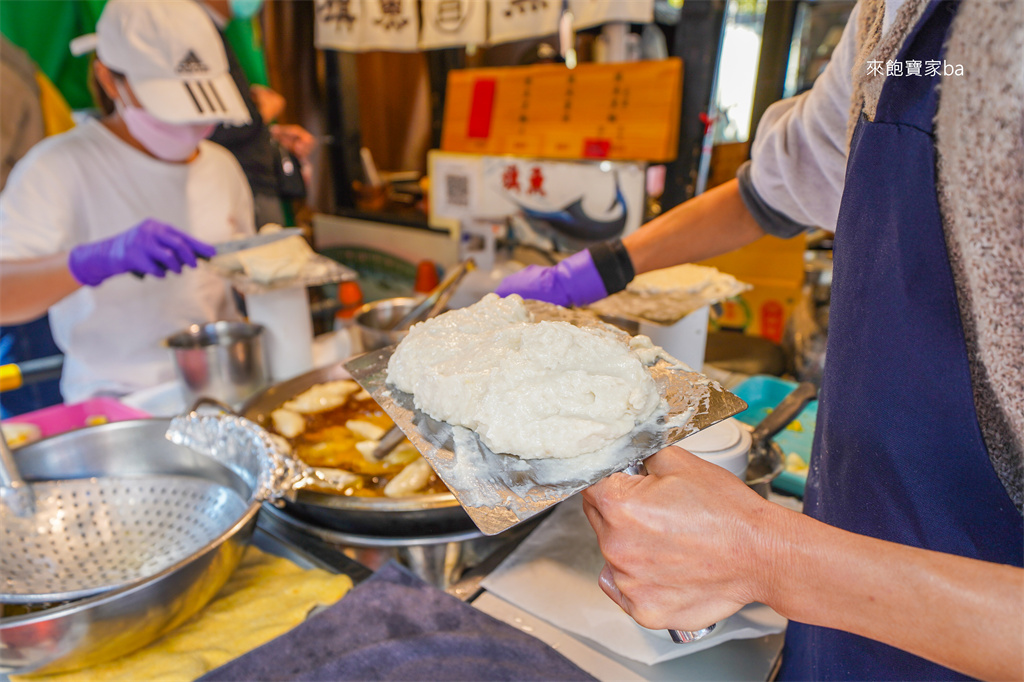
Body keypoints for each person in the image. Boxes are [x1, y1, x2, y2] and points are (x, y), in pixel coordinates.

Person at [496, 0, 1023, 679]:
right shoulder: (891, 24)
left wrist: (769, 557)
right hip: (841, 593)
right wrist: (595, 270)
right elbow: (770, 188)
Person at [0, 0, 255, 404]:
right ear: (109, 79)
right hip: (115, 404)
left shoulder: (221, 167)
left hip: (223, 388)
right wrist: (92, 261)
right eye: (170, 107)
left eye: (201, 111)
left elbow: (243, 283)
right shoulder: (56, 168)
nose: (190, 126)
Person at [199, 0, 316, 228]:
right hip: (238, 182)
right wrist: (261, 115)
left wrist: (271, 132)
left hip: (255, 179)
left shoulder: (221, 29)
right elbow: (201, 128)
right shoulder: (193, 30)